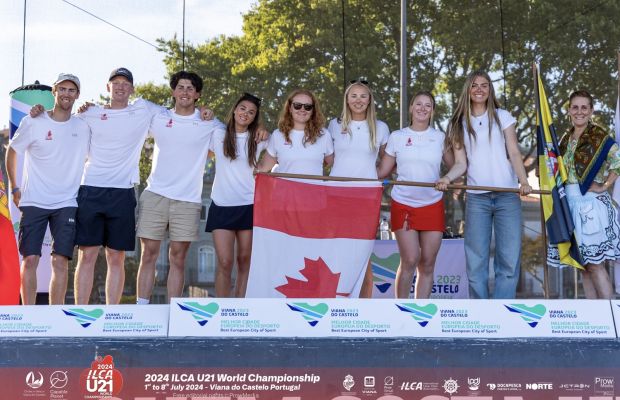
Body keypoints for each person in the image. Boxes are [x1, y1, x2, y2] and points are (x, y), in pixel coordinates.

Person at [135, 71, 222, 303]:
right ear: (173, 92)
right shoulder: (158, 116)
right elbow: (136, 107)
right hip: (155, 194)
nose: (185, 91)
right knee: (148, 254)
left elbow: (234, 140)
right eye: (180, 87)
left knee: (178, 258)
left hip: (188, 200)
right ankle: (141, 308)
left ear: (197, 94)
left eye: (190, 88)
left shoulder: (209, 123)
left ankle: (174, 311)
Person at [6, 73, 90, 304]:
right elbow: (12, 151)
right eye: (62, 89)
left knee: (59, 262)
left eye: (71, 90)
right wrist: (15, 187)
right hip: (33, 201)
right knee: (30, 259)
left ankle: (57, 317)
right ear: (54, 92)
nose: (66, 93)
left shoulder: (83, 126)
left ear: (77, 95)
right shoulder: (34, 121)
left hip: (67, 203)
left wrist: (90, 108)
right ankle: (28, 314)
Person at [447, 70, 532, 299]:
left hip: (507, 195)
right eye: (475, 85)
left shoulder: (502, 115)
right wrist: (447, 178)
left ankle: (502, 310)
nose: (479, 89)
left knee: (509, 257)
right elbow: (460, 163)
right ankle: (481, 312)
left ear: (490, 90)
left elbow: (514, 152)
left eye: (485, 85)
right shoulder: (458, 122)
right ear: (468, 89)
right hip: (477, 198)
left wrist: (524, 181)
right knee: (476, 259)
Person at [377, 91, 466, 299]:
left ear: (433, 111)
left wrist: (449, 175)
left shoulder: (440, 138)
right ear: (411, 108)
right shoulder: (397, 137)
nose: (423, 108)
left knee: (427, 263)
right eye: (418, 104)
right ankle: (401, 309)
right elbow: (383, 172)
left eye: (428, 105)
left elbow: (456, 167)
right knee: (409, 259)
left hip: (432, 204)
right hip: (403, 204)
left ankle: (420, 313)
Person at [551, 90, 620, 299]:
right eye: (575, 107)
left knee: (595, 265)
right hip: (569, 205)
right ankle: (595, 320)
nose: (579, 111)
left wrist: (605, 184)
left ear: (590, 111)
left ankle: (611, 317)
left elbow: (617, 161)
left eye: (584, 107)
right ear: (569, 111)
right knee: (582, 265)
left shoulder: (599, 136)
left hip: (591, 203)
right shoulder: (564, 139)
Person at [328, 79, 390, 298]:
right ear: (347, 99)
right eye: (353, 95)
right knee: (337, 248)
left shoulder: (381, 127)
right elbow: (329, 159)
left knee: (362, 251)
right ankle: (335, 298)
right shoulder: (334, 125)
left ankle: (363, 305)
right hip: (336, 195)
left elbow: (387, 161)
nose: (358, 100)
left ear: (370, 100)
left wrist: (373, 178)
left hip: (366, 197)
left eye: (363, 96)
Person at [206, 93, 267, 297]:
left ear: (255, 117)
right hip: (221, 205)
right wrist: (206, 109)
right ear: (234, 109)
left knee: (244, 260)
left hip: (249, 206)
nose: (245, 114)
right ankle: (222, 310)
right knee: (224, 261)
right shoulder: (217, 133)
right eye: (242, 109)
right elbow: (199, 112)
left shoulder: (259, 139)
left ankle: (240, 308)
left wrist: (264, 131)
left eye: (251, 112)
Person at [257, 88, 334, 174]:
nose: (302, 109)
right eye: (297, 105)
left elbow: (332, 162)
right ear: (290, 108)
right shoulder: (277, 135)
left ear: (313, 111)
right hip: (285, 187)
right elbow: (263, 167)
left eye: (308, 107)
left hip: (314, 187)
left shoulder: (324, 135)